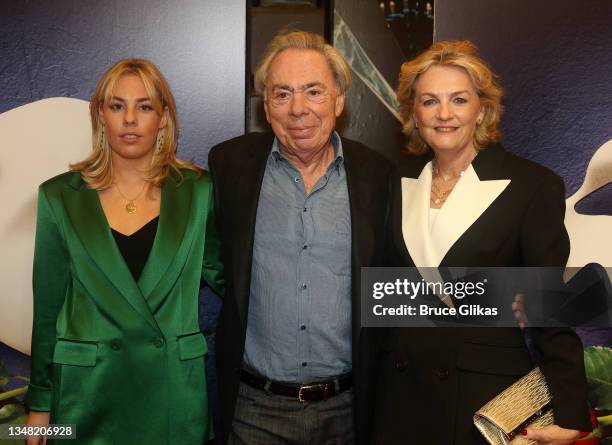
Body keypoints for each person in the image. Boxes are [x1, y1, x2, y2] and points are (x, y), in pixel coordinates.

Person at [371, 41, 592, 444]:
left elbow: (547, 305)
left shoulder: (531, 185)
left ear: (482, 109)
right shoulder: (393, 181)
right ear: (413, 114)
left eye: (459, 99)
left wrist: (572, 410)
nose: (444, 114)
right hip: (399, 393)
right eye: (429, 101)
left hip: (481, 398)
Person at [25, 59, 223, 444]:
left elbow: (234, 281)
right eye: (117, 106)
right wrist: (39, 404)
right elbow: (47, 310)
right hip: (87, 393)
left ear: (164, 118)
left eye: (144, 107)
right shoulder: (60, 196)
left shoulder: (199, 193)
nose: (130, 119)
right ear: (100, 114)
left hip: (171, 394)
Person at [208, 31, 393, 445]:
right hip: (254, 409)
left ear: (339, 100)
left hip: (349, 411)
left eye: (313, 91)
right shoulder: (229, 166)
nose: (298, 109)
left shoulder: (379, 176)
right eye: (282, 94)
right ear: (266, 106)